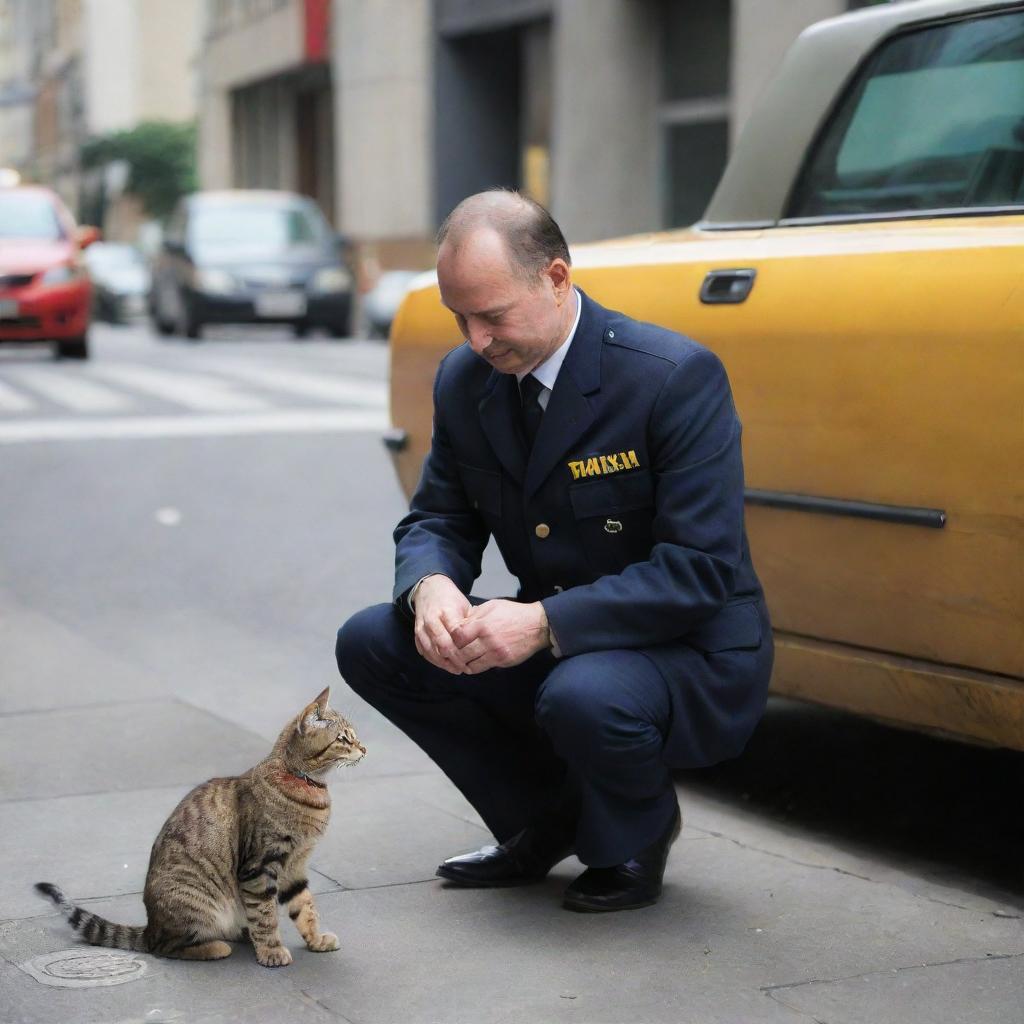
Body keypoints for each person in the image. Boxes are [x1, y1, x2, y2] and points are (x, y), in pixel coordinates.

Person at [336, 190, 773, 912]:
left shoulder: (670, 377)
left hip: (688, 649)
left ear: (557, 279)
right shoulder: (467, 379)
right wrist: (433, 589)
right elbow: (438, 516)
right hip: (559, 640)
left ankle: (637, 830)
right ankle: (547, 820)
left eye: (493, 315)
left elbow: (699, 571)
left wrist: (540, 624)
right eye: (460, 318)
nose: (476, 339)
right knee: (376, 641)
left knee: (582, 693)